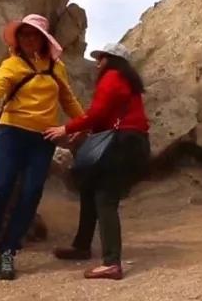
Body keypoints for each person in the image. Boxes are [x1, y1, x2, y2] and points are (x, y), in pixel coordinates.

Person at [0, 14, 85, 283]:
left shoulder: (57, 68)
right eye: (24, 34)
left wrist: (84, 123)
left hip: (42, 139)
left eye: (34, 35)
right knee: (0, 188)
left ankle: (8, 251)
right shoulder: (12, 64)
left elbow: (68, 99)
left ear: (43, 39)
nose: (29, 39)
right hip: (11, 133)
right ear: (18, 39)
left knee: (30, 193)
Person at [45, 42, 150, 280]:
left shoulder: (112, 77)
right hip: (131, 142)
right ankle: (81, 245)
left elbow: (99, 112)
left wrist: (66, 128)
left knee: (105, 198)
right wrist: (84, 130)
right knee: (89, 188)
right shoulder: (126, 80)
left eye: (100, 59)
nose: (97, 64)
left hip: (121, 144)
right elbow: (106, 115)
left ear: (110, 60)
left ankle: (112, 262)